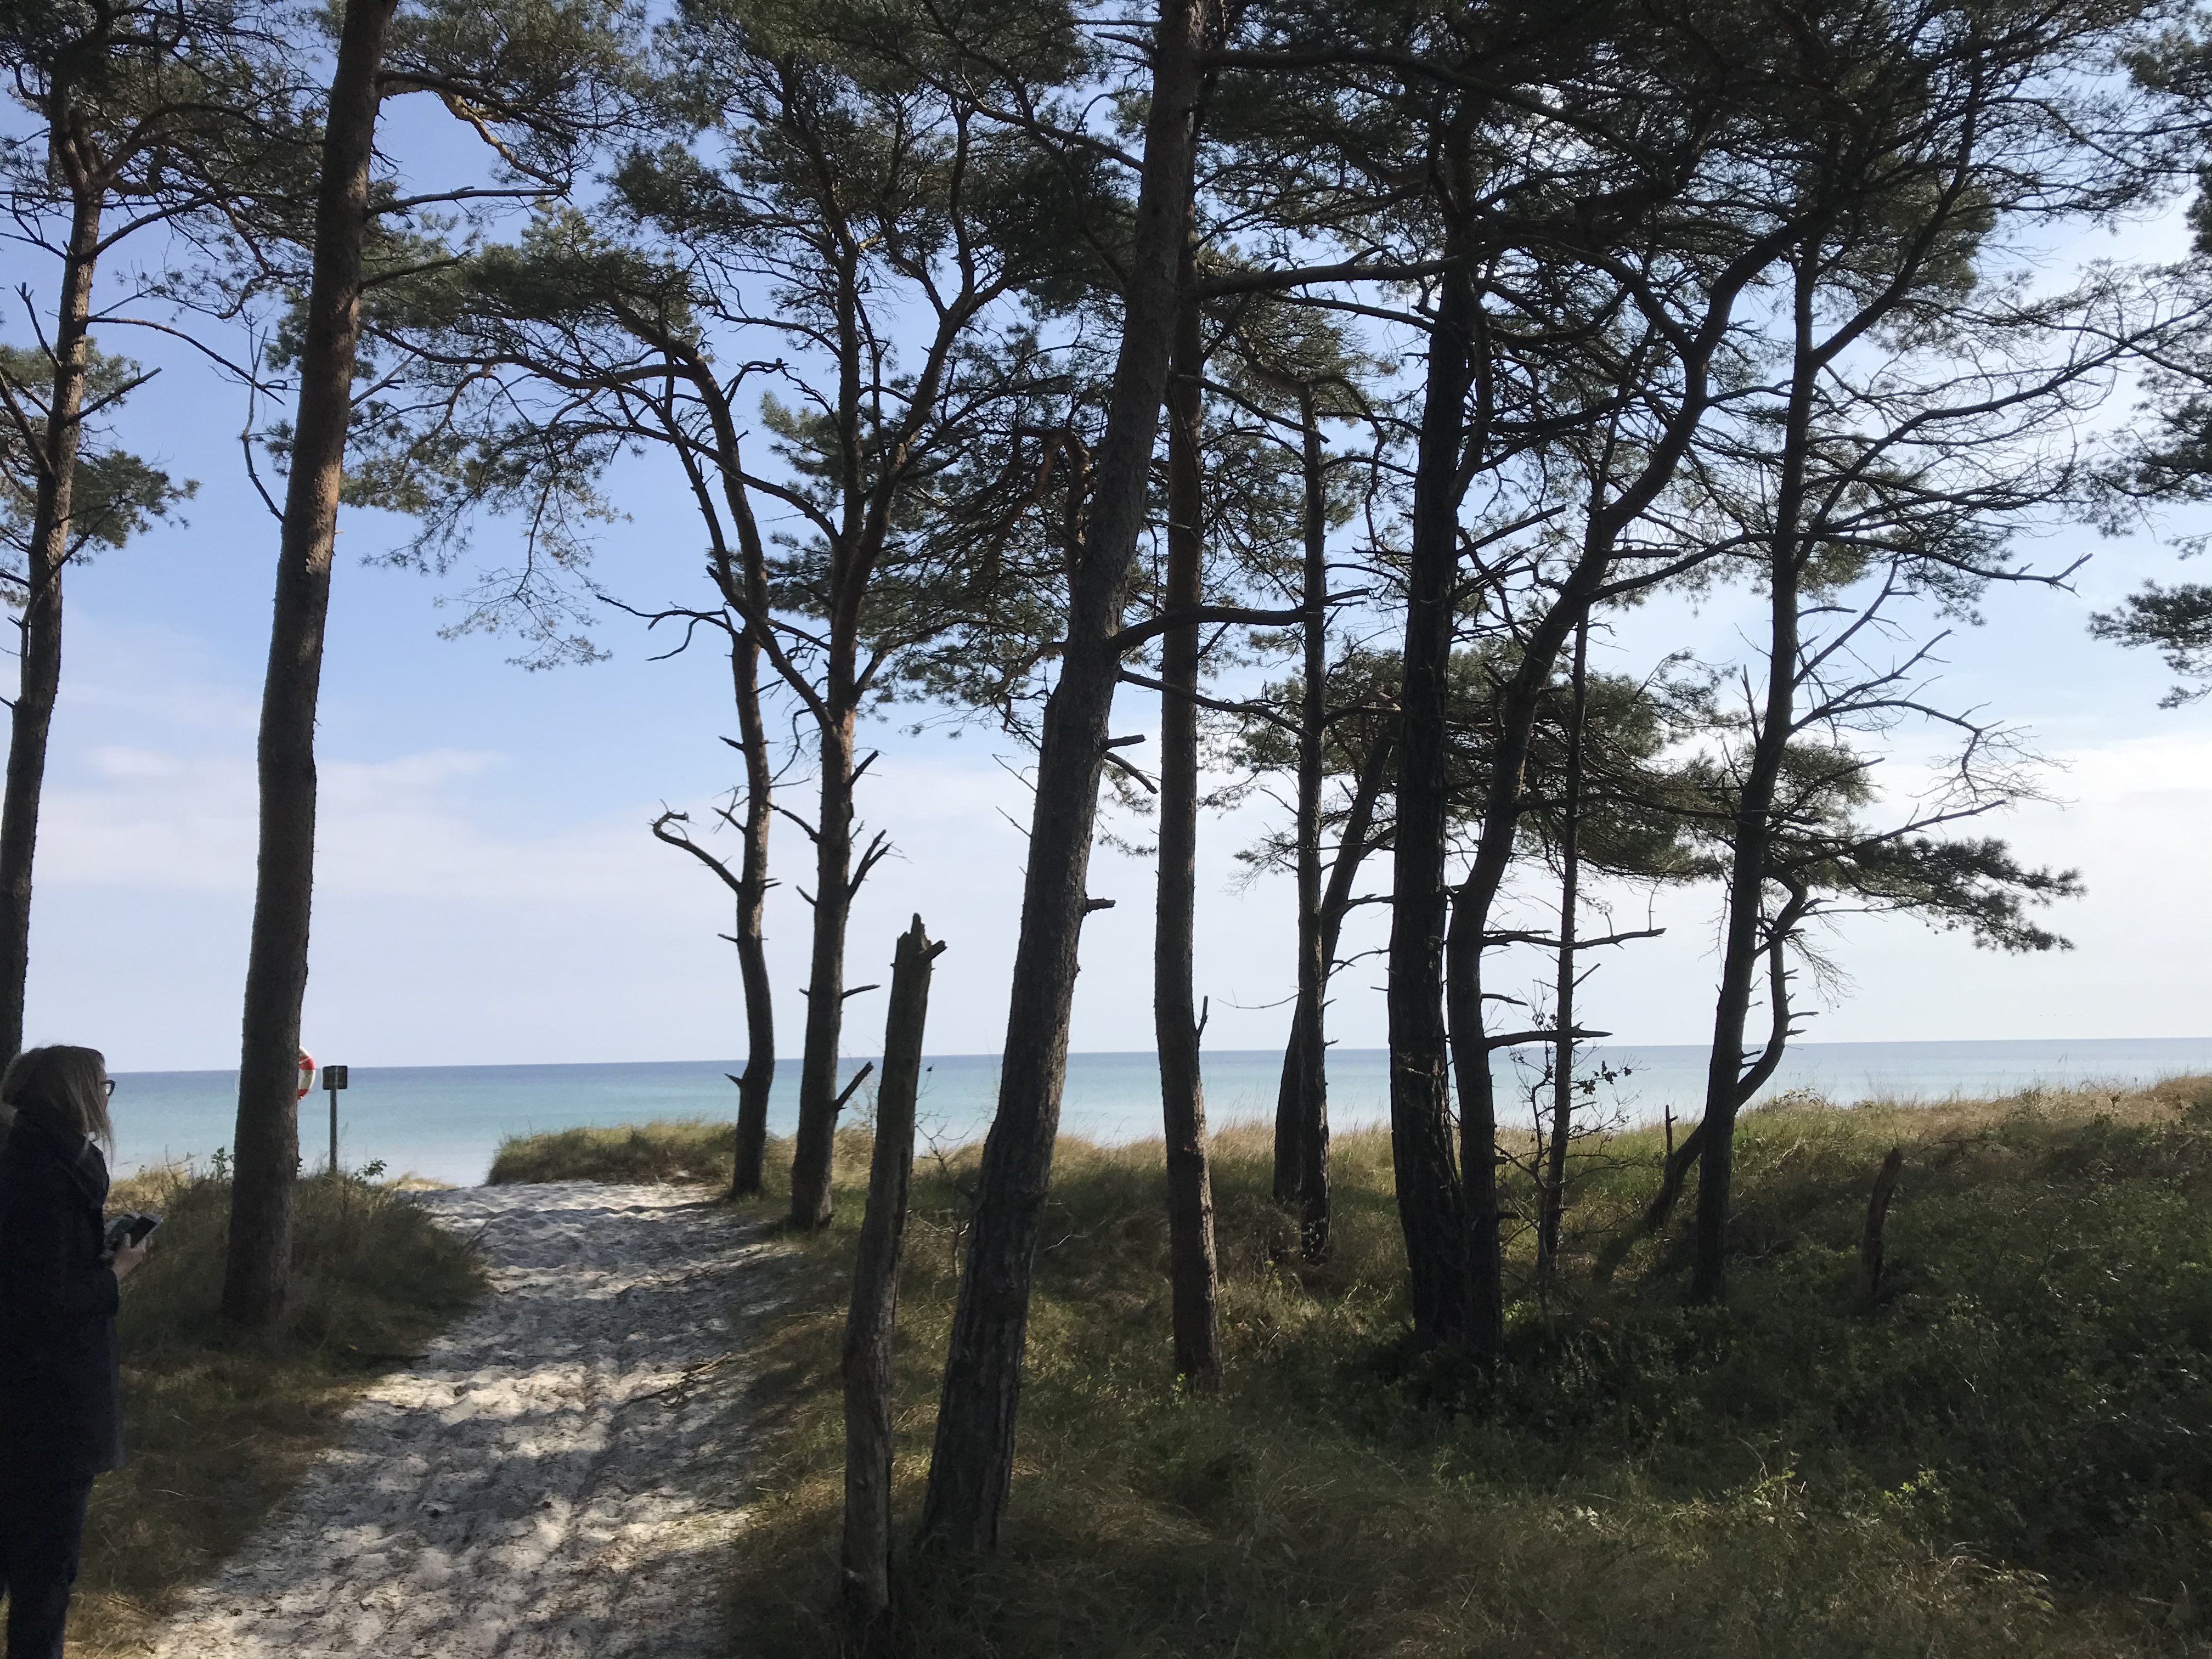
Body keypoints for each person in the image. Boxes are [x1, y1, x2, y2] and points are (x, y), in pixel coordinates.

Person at [0, 1047, 149, 1658]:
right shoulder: (58, 1174)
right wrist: (117, 1272)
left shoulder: (17, 1160)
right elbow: (51, 1303)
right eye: (102, 1087)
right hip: (52, 1407)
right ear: (79, 1096)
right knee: (43, 1584)